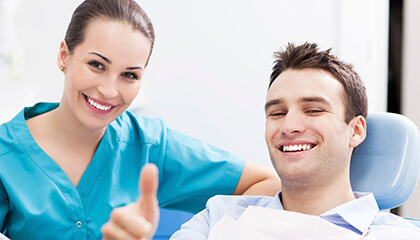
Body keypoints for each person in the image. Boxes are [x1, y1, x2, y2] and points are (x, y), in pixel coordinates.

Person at [0, 0, 281, 239]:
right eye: (96, 65)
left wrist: (198, 231)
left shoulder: (151, 146)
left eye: (129, 75)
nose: (109, 91)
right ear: (64, 55)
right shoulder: (5, 154)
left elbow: (267, 183)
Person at [170, 42, 420, 239]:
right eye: (277, 113)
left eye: (313, 110)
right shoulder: (218, 218)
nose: (289, 127)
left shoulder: (397, 236)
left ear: (355, 131)